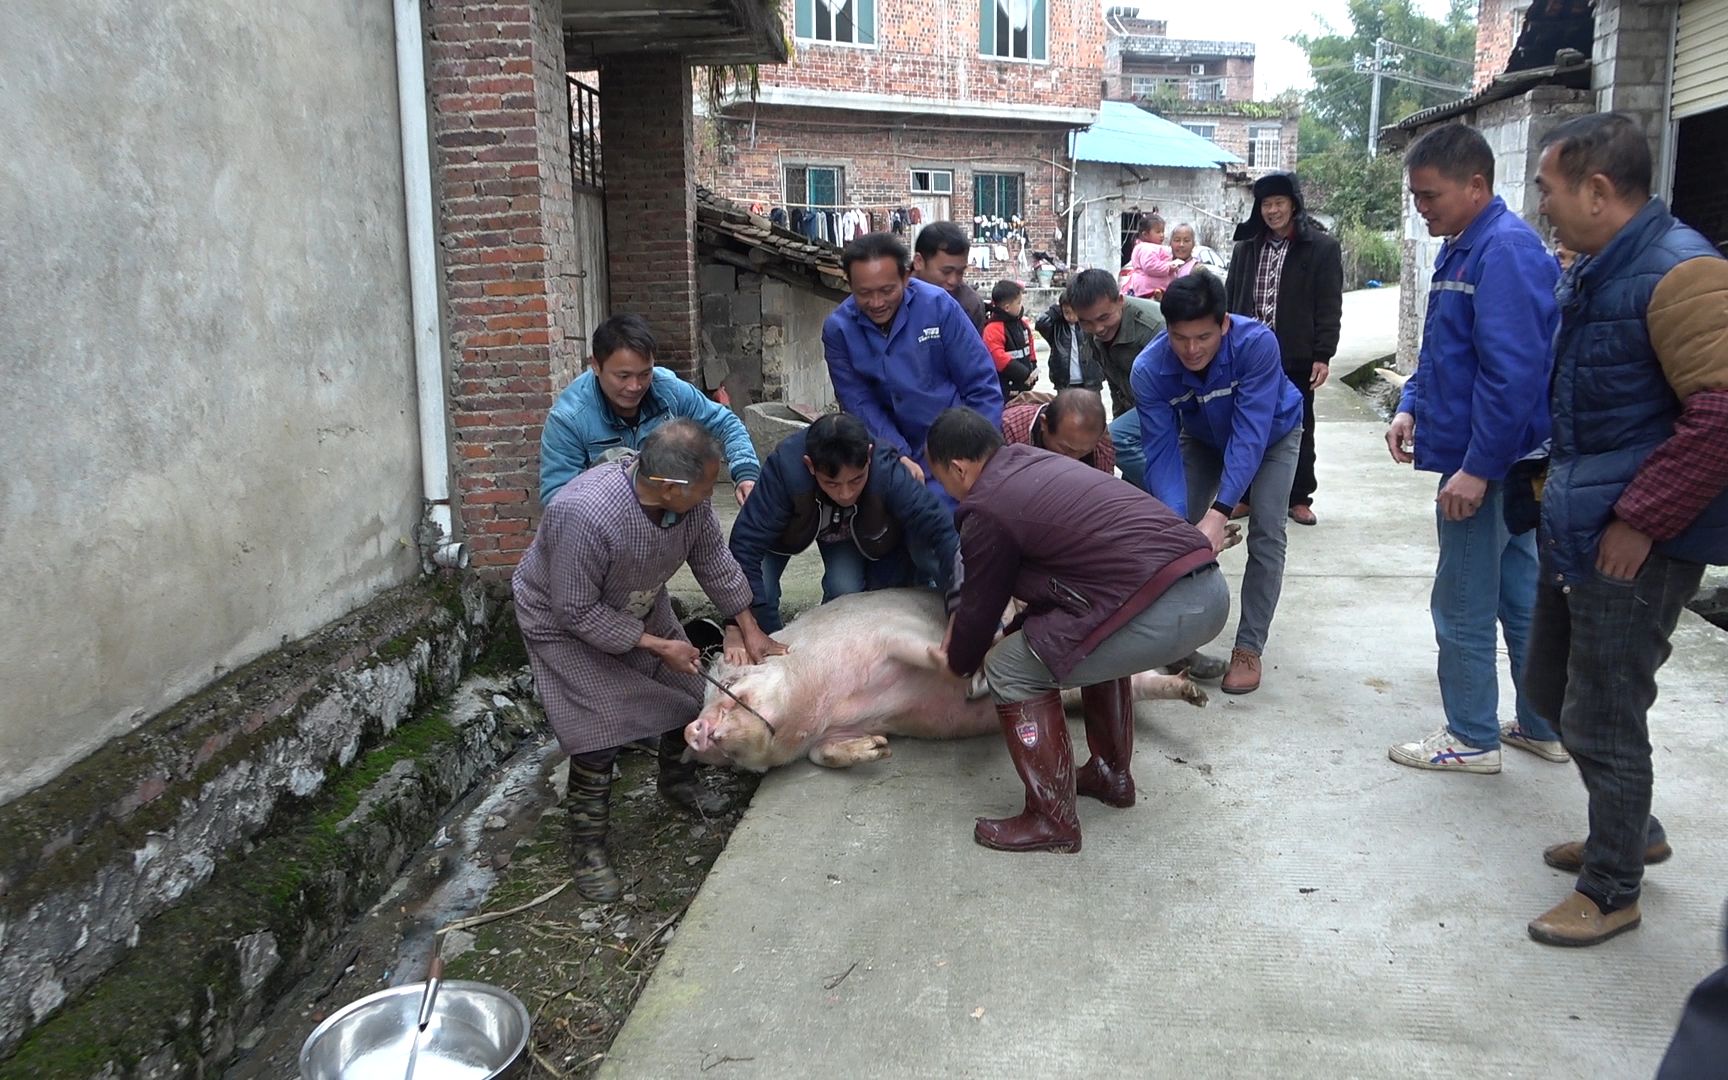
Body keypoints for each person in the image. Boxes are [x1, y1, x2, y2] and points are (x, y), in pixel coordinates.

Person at [1522, 112, 1728, 947]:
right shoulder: (1606, 267)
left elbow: (1719, 417)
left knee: (1605, 712)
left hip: (1631, 538)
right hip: (1581, 520)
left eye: (1549, 188)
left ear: (1597, 191)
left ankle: (1612, 887)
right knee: (1549, 692)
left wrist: (1641, 521)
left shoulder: (1684, 273)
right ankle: (1630, 828)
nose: (1543, 206)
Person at [922, 408, 1230, 853]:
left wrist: (957, 661)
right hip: (1203, 586)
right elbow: (1065, 591)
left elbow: (978, 606)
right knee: (1067, 641)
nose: (945, 489)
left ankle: (1052, 819)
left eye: (941, 478)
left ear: (958, 467)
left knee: (1009, 668)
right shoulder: (1031, 464)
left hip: (1167, 603)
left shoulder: (988, 505)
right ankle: (1110, 774)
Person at [512, 420, 785, 901]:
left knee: (686, 694)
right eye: (702, 489)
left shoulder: (689, 506)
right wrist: (658, 645)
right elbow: (573, 608)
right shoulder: (584, 514)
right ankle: (587, 847)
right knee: (597, 730)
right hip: (563, 623)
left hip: (636, 602)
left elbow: (716, 563)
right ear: (665, 485)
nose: (708, 498)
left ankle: (677, 784)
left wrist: (750, 627)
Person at [1383, 123, 1567, 776]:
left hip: (1490, 467)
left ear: (1477, 186)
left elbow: (1512, 375)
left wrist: (1477, 471)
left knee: (1461, 601)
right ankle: (1543, 725)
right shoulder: (1465, 247)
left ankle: (1469, 736)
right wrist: (1411, 404)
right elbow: (1446, 349)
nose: (1422, 208)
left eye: (1430, 196)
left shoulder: (1505, 252)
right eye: (1418, 196)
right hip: (1495, 464)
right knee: (1518, 592)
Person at [1132, 272, 1303, 695]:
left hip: (1273, 435)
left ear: (1224, 323)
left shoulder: (1257, 344)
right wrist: (1181, 526)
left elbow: (1250, 435)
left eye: (1203, 337)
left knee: (1267, 528)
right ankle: (1176, 641)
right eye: (1179, 337)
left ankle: (1248, 646)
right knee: (1172, 531)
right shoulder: (1149, 371)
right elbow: (1161, 452)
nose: (1191, 349)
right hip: (1203, 438)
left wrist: (1219, 511)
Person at [728, 412, 958, 634]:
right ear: (810, 465)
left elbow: (938, 525)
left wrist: (961, 604)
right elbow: (745, 542)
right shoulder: (784, 468)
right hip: (783, 534)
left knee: (844, 590)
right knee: (760, 593)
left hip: (844, 534)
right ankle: (771, 646)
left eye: (857, 480)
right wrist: (741, 626)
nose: (846, 494)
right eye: (832, 483)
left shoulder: (886, 469)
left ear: (868, 456)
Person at [822, 231, 1004, 510]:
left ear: (906, 277)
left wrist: (977, 456)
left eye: (887, 290)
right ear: (849, 283)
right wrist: (897, 453)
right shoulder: (839, 330)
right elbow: (859, 403)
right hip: (892, 452)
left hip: (960, 455)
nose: (877, 303)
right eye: (864, 293)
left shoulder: (939, 307)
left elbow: (981, 385)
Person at [539, 314, 761, 507]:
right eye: (623, 376)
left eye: (645, 373)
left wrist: (745, 472)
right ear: (596, 365)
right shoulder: (569, 418)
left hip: (670, 521)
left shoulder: (669, 389)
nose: (635, 386)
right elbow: (557, 500)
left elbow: (727, 424)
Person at [1225, 172, 1343, 526]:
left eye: (1279, 203)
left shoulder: (1321, 247)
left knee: (1298, 424)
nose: (1272, 211)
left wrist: (1323, 353)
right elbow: (1231, 298)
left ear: (1293, 205)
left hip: (1295, 353)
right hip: (1248, 353)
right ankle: (1243, 494)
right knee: (1244, 422)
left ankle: (1299, 496)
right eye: (1266, 204)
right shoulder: (1246, 248)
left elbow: (1329, 304)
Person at [1065, 268, 1166, 492]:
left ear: (1120, 300)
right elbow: (1115, 383)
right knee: (1129, 494)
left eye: (1104, 318)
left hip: (1173, 406)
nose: (1098, 329)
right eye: (1087, 322)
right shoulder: (1092, 333)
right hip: (1140, 409)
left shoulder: (1153, 327)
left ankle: (1176, 494)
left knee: (1113, 440)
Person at [1000, 389, 1116, 474]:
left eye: (1083, 452)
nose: (1073, 460)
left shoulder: (1102, 446)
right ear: (1044, 424)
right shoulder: (1010, 430)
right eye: (1066, 449)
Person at [913, 221, 988, 331]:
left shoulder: (969, 305)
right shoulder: (892, 295)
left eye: (960, 272)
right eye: (946, 272)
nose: (953, 281)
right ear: (919, 262)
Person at [981, 279, 1039, 399]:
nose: (1021, 306)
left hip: (1024, 385)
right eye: (1018, 303)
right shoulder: (993, 329)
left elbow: (1030, 347)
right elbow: (998, 357)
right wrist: (1024, 373)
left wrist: (1033, 367)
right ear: (1007, 307)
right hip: (1004, 389)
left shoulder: (1022, 325)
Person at [1034, 297, 1104, 391]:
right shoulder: (1056, 328)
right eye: (1067, 312)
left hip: (1091, 380)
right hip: (1064, 382)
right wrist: (1055, 311)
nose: (1071, 317)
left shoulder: (1089, 324)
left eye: (1074, 312)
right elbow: (1040, 324)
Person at [1125, 213, 1177, 300]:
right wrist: (1168, 268)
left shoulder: (1148, 247)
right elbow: (1150, 266)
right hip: (1150, 291)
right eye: (1158, 232)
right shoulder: (1147, 248)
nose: (1162, 235)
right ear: (1145, 234)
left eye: (1162, 231)